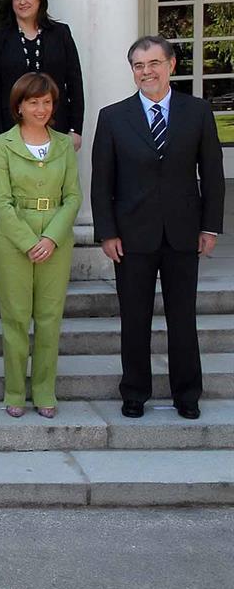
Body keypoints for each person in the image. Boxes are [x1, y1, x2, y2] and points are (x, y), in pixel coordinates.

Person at [93, 35, 224, 420]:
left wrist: (210, 227)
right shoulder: (113, 116)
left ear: (171, 65)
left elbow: (213, 175)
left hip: (183, 232)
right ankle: (134, 392)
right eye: (138, 65)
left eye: (153, 63)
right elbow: (102, 181)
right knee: (134, 318)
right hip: (131, 236)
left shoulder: (197, 112)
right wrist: (107, 232)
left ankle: (188, 394)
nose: (146, 72)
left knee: (183, 318)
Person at [0, 73, 81, 418]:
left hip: (55, 240)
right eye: (33, 102)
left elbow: (72, 196)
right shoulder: (2, 145)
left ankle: (44, 389)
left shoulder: (63, 145)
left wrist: (50, 238)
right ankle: (14, 391)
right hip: (13, 241)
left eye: (46, 102)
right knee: (15, 318)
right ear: (19, 105)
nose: (40, 108)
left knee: (49, 318)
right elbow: (0, 201)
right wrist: (29, 241)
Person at [0, 0, 85, 149]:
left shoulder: (60, 34)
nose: (23, 2)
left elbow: (74, 82)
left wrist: (75, 129)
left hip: (57, 126)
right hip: (11, 130)